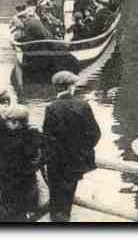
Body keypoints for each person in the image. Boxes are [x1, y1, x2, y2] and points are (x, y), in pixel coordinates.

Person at [42, 71, 102, 222]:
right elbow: (95, 134)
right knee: (68, 197)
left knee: (56, 199)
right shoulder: (83, 105)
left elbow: (47, 139)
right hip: (76, 162)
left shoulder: (51, 108)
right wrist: (82, 151)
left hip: (56, 164)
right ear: (70, 87)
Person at [0, 104, 43, 222]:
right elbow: (40, 155)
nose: (6, 123)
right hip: (27, 176)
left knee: (12, 207)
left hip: (9, 179)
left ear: (16, 123)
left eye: (8, 121)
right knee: (26, 204)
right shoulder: (33, 134)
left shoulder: (6, 138)